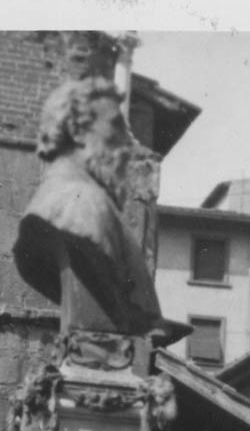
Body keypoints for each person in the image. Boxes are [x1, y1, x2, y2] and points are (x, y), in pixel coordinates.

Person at [13, 76, 182, 341]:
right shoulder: (83, 205)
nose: (127, 142)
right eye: (116, 126)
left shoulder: (69, 201)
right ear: (77, 131)